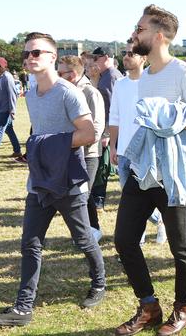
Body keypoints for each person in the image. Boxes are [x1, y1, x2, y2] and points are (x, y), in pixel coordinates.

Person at [0, 32, 106, 326]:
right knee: (30, 243)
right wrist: (38, 147)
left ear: (52, 57)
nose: (30, 58)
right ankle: (23, 308)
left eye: (36, 52)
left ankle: (100, 283)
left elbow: (89, 134)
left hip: (67, 181)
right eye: (26, 54)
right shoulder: (30, 89)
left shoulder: (68, 92)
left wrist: (44, 144)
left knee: (83, 239)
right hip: (40, 180)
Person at [113, 4, 186, 336]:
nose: (133, 34)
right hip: (143, 169)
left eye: (139, 29)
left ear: (157, 36)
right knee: (125, 240)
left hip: (174, 173)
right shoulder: (145, 76)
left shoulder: (185, 73)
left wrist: (163, 114)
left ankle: (183, 308)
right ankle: (149, 306)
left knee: (181, 247)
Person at [110, 43, 166, 245]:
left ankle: (161, 223)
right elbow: (114, 117)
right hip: (124, 152)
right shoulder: (120, 84)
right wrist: (113, 146)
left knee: (152, 195)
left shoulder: (152, 83)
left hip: (148, 152)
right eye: (125, 53)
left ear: (143, 58)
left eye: (131, 54)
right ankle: (140, 237)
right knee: (130, 201)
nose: (126, 56)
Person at [57, 55, 106, 242]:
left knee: (82, 194)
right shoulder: (63, 91)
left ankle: (89, 232)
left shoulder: (90, 93)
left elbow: (97, 126)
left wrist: (81, 143)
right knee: (84, 193)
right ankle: (93, 229)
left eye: (62, 72)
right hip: (68, 151)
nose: (58, 76)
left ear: (74, 73)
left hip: (88, 154)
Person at [90, 46, 122, 218]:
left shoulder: (111, 76)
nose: (94, 61)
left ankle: (99, 200)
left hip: (109, 131)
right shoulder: (105, 76)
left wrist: (107, 134)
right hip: (105, 129)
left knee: (103, 167)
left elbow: (112, 109)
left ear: (107, 57)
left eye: (97, 58)